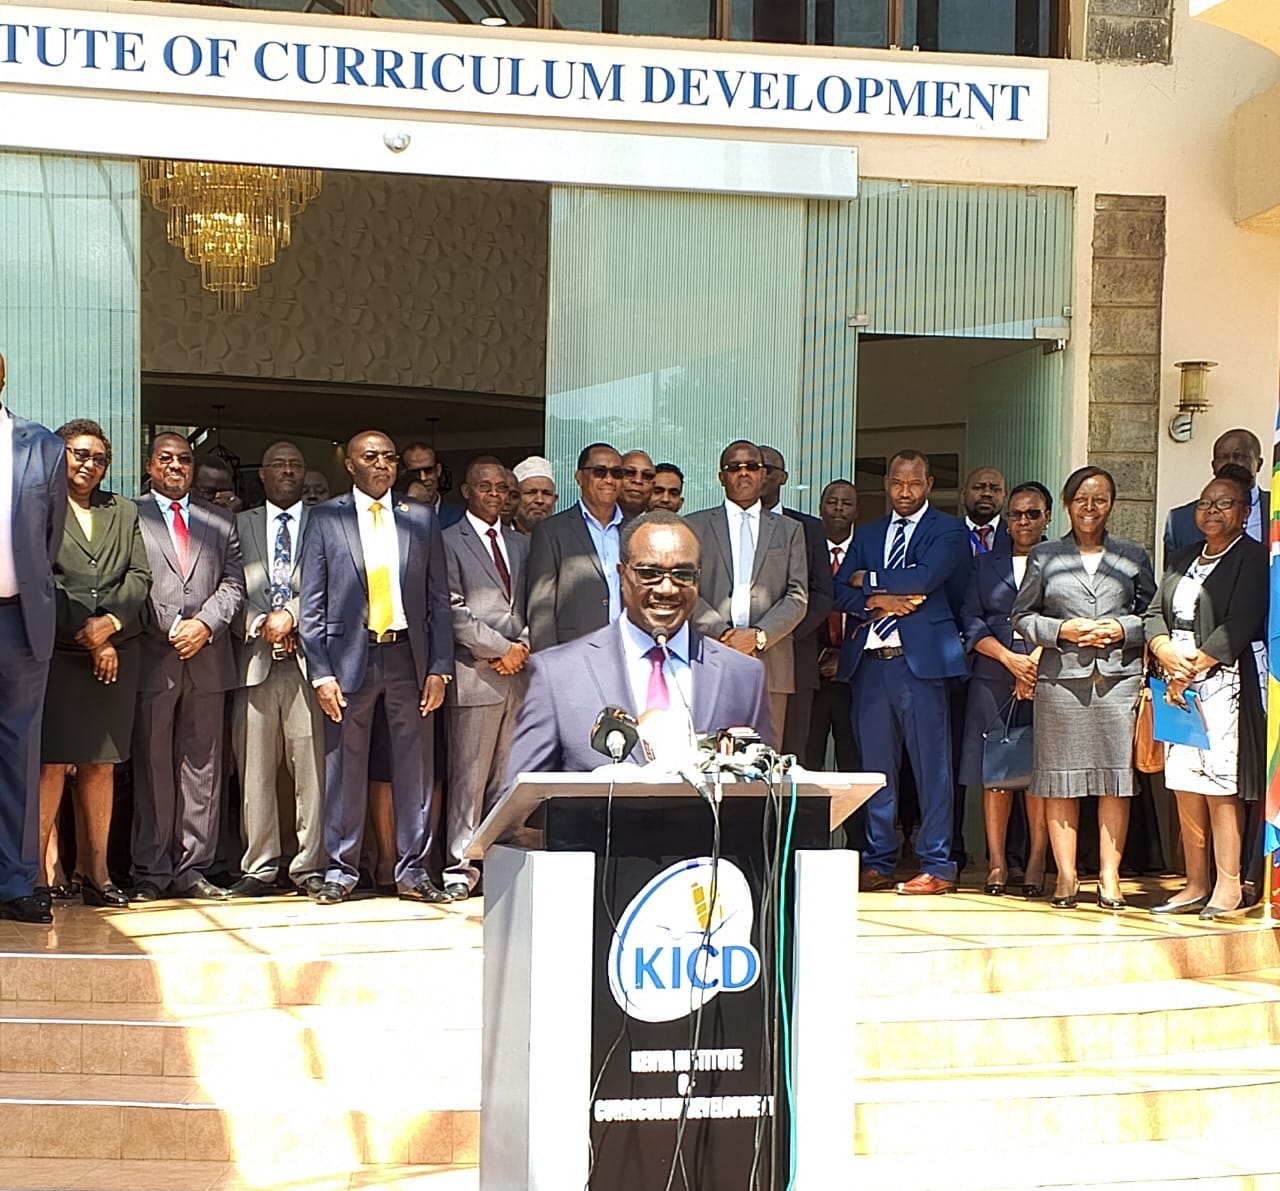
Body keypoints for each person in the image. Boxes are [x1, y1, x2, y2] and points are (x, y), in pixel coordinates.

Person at [299, 429, 454, 905]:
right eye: (371, 457)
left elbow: (437, 600)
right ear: (350, 465)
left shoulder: (421, 519)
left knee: (415, 768)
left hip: (409, 657)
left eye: (389, 458)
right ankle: (341, 870)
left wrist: (441, 666)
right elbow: (313, 603)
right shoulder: (326, 518)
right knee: (344, 764)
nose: (382, 465)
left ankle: (413, 871)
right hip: (350, 659)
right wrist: (321, 672)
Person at [504, 511, 772, 779]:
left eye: (683, 574)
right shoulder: (558, 674)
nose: (667, 588)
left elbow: (766, 792)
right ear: (622, 575)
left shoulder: (744, 676)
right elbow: (519, 800)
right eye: (650, 573)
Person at [1011, 465, 1156, 911]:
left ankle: (1110, 878)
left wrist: (1119, 627)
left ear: (1111, 505)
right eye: (1081, 500)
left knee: (1116, 782)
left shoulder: (1132, 555)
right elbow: (1022, 616)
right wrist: (1061, 630)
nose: (1090, 508)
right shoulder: (1045, 556)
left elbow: (1153, 616)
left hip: (1117, 681)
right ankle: (1068, 878)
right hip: (1061, 682)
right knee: (1060, 782)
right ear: (1068, 505)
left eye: (1100, 500)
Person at [834, 449, 971, 895]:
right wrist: (882, 600)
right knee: (877, 771)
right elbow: (838, 588)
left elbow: (925, 579)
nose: (905, 492)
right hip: (871, 665)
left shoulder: (947, 530)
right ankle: (879, 860)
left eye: (914, 483)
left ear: (929, 485)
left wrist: (870, 585)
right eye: (897, 483)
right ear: (887, 484)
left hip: (922, 668)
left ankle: (937, 864)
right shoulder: (869, 532)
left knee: (932, 769)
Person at [1145, 465, 1267, 919]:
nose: (1211, 512)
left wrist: (1191, 668)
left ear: (1244, 511)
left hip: (1220, 685)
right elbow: (1154, 612)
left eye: (1224, 504)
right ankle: (1195, 883)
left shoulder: (1251, 558)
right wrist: (1161, 650)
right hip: (1174, 684)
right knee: (1182, 785)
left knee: (1219, 788)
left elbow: (1241, 621)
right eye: (1204, 504)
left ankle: (1229, 886)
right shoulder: (1184, 557)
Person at [37, 421, 150, 909]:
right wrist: (89, 634)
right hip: (60, 651)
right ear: (59, 455)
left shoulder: (123, 511)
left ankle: (97, 875)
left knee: (100, 765)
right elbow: (41, 579)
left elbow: (140, 575)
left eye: (98, 458)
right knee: (53, 765)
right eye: (79, 454)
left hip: (118, 652)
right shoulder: (38, 508)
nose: (88, 464)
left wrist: (110, 625)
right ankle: (38, 878)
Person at [132, 434, 246, 901]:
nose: (176, 466)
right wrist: (170, 625)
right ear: (150, 465)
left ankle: (193, 869)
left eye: (184, 459)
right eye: (166, 459)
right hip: (155, 657)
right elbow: (129, 579)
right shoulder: (130, 515)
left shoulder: (219, 520)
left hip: (208, 655)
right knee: (153, 768)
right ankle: (151, 870)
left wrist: (204, 624)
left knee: (204, 767)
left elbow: (235, 583)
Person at [227, 441, 326, 899]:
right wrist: (260, 624)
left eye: (295, 465)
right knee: (255, 770)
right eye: (278, 465)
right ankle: (260, 866)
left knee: (311, 770)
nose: (287, 471)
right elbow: (226, 582)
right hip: (255, 661)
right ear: (262, 475)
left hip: (310, 662)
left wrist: (296, 616)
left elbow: (340, 583)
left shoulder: (326, 525)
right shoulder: (238, 524)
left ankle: (310, 867)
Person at [442, 457, 530, 899]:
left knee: (505, 778)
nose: (495, 495)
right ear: (467, 491)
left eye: (502, 488)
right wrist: (502, 650)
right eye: (485, 487)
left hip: (518, 676)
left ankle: (496, 864)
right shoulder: (447, 542)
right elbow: (453, 611)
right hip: (477, 675)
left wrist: (523, 647)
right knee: (469, 779)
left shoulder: (521, 544)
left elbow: (534, 604)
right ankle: (460, 866)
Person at [958, 481, 1052, 899]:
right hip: (992, 676)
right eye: (1016, 514)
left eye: (1033, 513)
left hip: (1048, 678)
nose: (1024, 521)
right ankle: (996, 863)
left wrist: (1031, 662)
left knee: (1039, 776)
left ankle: (1035, 862)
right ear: (1006, 520)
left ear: (1048, 517)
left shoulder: (1060, 561)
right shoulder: (983, 565)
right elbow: (971, 621)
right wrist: (1010, 660)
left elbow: (1066, 615)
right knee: (994, 773)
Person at [0, 352, 68, 923]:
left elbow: (50, 541)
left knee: (20, 752)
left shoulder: (42, 446)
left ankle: (18, 881)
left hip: (19, 620)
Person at [685, 441, 808, 745]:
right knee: (707, 752)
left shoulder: (790, 530)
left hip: (771, 658)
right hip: (710, 653)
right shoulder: (694, 525)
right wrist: (723, 633)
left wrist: (758, 636)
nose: (744, 473)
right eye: (734, 467)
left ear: (763, 473)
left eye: (752, 466)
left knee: (764, 759)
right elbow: (685, 588)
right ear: (721, 476)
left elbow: (797, 595)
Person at [758, 445, 834, 758]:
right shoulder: (718, 526)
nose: (759, 474)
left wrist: (781, 635)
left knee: (790, 755)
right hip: (732, 651)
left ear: (784, 477)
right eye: (753, 467)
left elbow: (821, 593)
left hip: (793, 652)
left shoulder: (809, 528)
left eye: (768, 468)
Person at [527, 442, 626, 652]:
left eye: (617, 473)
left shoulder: (634, 529)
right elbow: (541, 609)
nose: (609, 479)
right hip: (574, 653)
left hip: (628, 652)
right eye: (600, 471)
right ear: (579, 477)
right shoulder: (551, 531)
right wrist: (549, 663)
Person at [804, 479, 861, 773]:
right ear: (820, 508)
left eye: (847, 503)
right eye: (832, 502)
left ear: (856, 511)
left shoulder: (867, 550)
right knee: (807, 760)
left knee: (854, 762)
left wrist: (847, 657)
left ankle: (855, 823)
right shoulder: (803, 549)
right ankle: (806, 822)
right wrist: (818, 657)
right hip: (812, 676)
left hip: (855, 678)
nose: (839, 508)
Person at [1164, 429, 1270, 560]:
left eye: (1241, 457)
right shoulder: (1180, 520)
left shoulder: (1275, 509)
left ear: (1259, 464)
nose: (1231, 463)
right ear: (1213, 466)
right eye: (1223, 457)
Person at [400, 441, 464, 529]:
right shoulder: (393, 516)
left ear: (438, 470)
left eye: (429, 470)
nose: (423, 478)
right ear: (404, 474)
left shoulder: (461, 517)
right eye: (415, 472)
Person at [962, 467, 1008, 555]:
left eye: (995, 489)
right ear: (963, 494)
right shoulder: (946, 534)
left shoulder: (1015, 535)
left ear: (1005, 497)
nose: (987, 494)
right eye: (978, 488)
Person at [511, 455, 558, 535]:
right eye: (531, 493)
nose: (539, 500)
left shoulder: (565, 536)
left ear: (555, 500)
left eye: (546, 493)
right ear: (515, 497)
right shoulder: (499, 538)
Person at [618, 450, 657, 519]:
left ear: (653, 486)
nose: (637, 480)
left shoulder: (659, 527)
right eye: (629, 472)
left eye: (647, 476)